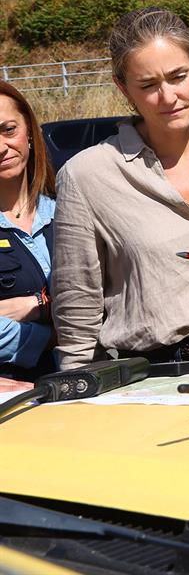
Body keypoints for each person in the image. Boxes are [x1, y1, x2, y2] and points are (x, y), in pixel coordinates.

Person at [52, 8, 189, 367]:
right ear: (122, 88)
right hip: (155, 376)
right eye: (148, 85)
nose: (168, 96)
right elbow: (78, 309)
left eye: (178, 76)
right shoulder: (86, 176)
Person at [0, 82, 56, 376]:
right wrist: (51, 337)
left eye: (8, 130)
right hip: (15, 398)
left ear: (30, 134)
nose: (1, 147)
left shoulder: (70, 213)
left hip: (90, 384)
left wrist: (36, 306)